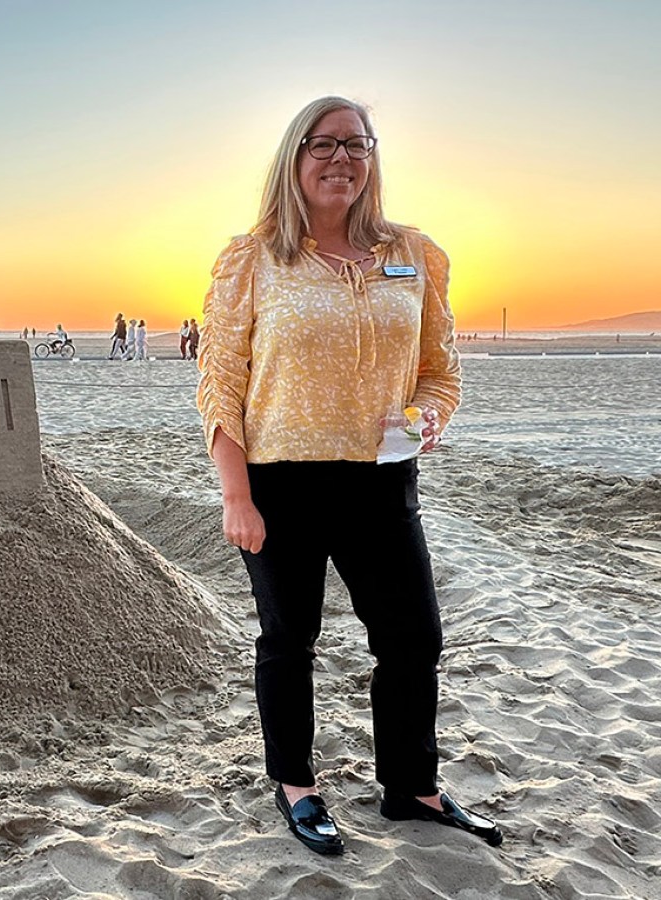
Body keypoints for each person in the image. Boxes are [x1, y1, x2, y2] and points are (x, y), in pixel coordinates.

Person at [196, 96, 501, 856]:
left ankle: (412, 788)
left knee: (413, 638)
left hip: (382, 482)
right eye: (323, 144)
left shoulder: (415, 253)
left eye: (356, 145)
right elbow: (221, 383)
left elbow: (440, 371)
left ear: (373, 157)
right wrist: (236, 495)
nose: (341, 159)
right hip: (280, 481)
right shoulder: (253, 259)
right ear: (294, 157)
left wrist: (430, 415)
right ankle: (297, 786)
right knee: (289, 639)